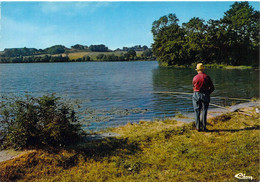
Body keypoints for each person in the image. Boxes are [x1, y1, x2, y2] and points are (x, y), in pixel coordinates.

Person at [192, 63, 215, 132]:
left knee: (197, 111)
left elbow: (194, 86)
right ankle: (204, 127)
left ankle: (198, 127)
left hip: (196, 94)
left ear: (198, 70)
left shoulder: (195, 77)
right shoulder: (207, 77)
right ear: (203, 69)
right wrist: (208, 93)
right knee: (204, 111)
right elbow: (212, 88)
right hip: (205, 95)